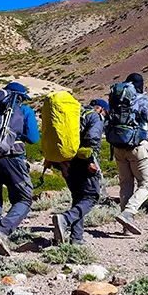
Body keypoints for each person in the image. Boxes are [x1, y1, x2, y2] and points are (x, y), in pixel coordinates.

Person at [0, 82, 39, 265]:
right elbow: (34, 138)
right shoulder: (23, 110)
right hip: (11, 159)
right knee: (24, 199)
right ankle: (2, 231)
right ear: (19, 97)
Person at [52, 99, 108, 246]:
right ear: (101, 109)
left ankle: (76, 238)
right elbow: (93, 137)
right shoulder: (94, 116)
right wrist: (91, 160)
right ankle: (65, 219)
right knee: (92, 196)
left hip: (64, 160)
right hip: (83, 161)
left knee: (78, 197)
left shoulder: (73, 115)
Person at [109, 73, 148, 236]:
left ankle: (126, 227)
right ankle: (128, 213)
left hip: (118, 147)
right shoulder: (146, 100)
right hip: (138, 146)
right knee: (146, 184)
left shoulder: (118, 98)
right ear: (141, 84)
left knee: (126, 184)